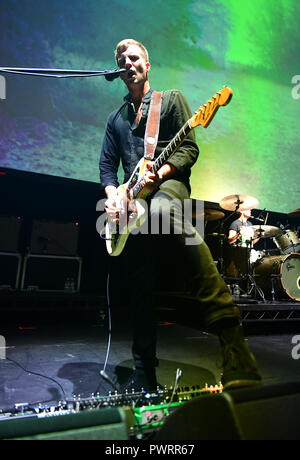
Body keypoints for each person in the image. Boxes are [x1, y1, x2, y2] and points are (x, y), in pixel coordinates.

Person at [99, 38, 262, 391]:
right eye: (121, 59)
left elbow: (189, 147)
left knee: (161, 208)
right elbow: (107, 167)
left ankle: (232, 340)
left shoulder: (170, 101)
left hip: (168, 187)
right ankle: (144, 369)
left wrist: (164, 170)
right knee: (138, 273)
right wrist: (114, 196)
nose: (128, 62)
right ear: (117, 70)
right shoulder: (115, 119)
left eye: (135, 57)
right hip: (132, 204)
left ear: (147, 64)